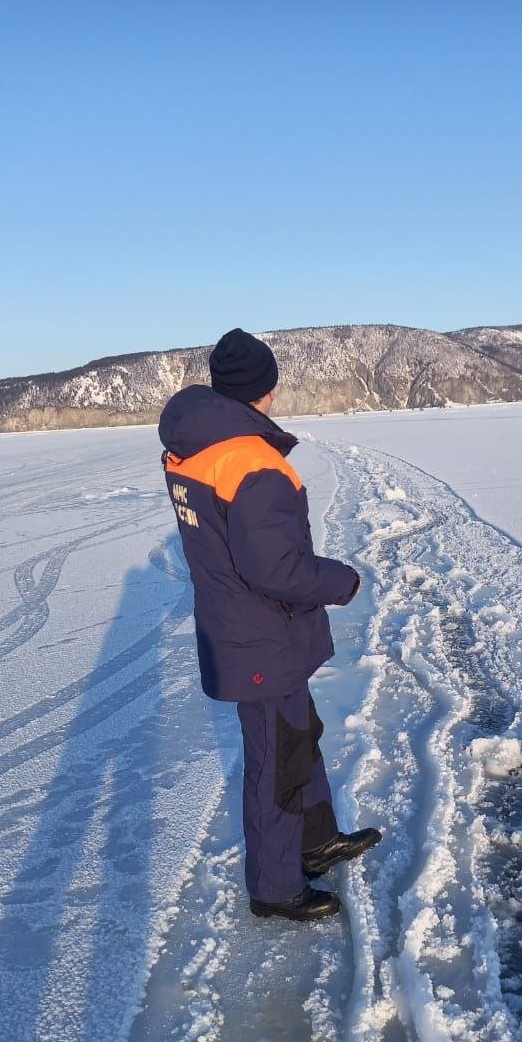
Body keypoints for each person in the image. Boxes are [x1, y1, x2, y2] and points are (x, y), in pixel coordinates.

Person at [158, 327, 381, 921]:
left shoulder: (196, 447)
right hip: (260, 638)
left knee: (298, 738)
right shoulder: (250, 462)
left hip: (250, 631)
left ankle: (316, 841)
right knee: (277, 763)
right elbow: (277, 568)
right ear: (267, 389)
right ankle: (276, 886)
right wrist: (341, 581)